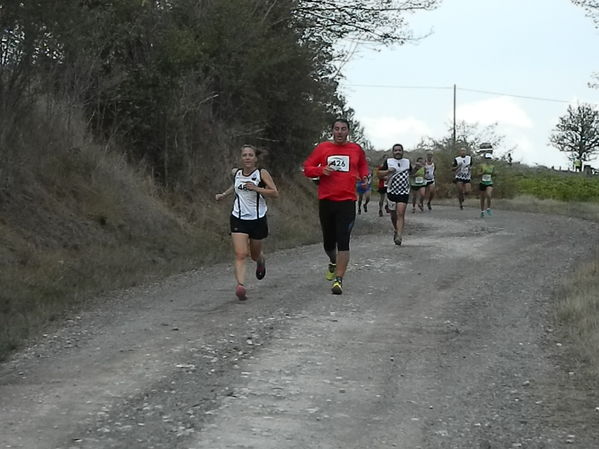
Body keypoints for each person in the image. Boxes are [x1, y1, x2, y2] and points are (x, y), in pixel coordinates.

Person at [303, 118, 369, 295]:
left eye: (343, 129)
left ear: (348, 131)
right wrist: (320, 170)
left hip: (347, 201)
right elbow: (307, 167)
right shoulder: (323, 148)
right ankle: (333, 261)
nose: (340, 132)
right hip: (326, 200)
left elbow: (363, 166)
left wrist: (364, 177)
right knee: (328, 242)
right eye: (337, 129)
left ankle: (338, 280)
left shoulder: (356, 149)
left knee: (343, 240)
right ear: (332, 131)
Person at [215, 145, 279, 301]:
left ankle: (261, 260)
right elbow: (236, 185)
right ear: (241, 158)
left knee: (254, 254)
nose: (248, 157)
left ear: (255, 158)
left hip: (257, 219)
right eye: (245, 155)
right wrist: (224, 194)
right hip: (238, 217)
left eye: (250, 155)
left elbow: (275, 193)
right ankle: (240, 286)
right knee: (240, 253)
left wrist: (257, 189)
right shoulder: (236, 173)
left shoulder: (261, 173)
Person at [377, 143, 411, 245]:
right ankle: (396, 230)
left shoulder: (407, 162)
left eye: (399, 150)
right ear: (393, 152)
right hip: (391, 191)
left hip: (404, 192)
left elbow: (412, 173)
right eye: (395, 150)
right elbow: (379, 174)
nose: (397, 152)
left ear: (402, 151)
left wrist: (418, 169)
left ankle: (399, 236)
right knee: (393, 215)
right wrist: (387, 171)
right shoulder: (388, 162)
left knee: (400, 213)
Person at [478, 152, 495, 217]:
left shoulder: (492, 166)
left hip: (489, 183)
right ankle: (482, 211)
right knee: (482, 198)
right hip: (482, 183)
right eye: (487, 158)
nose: (488, 160)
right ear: (485, 159)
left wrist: (494, 174)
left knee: (489, 194)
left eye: (489, 158)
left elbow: (494, 174)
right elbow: (478, 174)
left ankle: (488, 208)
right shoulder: (482, 166)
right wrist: (482, 172)